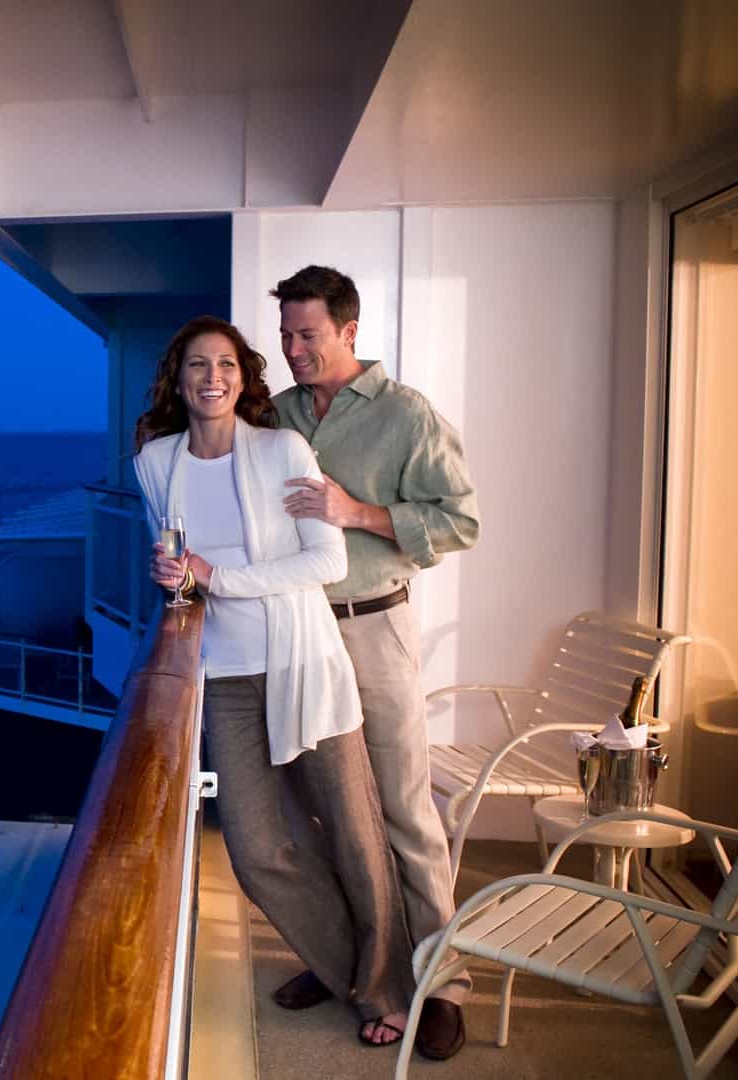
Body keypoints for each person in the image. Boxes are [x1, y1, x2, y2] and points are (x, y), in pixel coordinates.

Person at [134, 314, 414, 1047]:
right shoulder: (156, 463)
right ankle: (349, 966)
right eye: (198, 365)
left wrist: (218, 578)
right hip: (221, 674)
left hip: (303, 662)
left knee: (355, 830)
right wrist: (173, 579)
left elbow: (325, 563)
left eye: (226, 364)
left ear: (243, 376)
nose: (213, 378)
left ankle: (385, 989)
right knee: (258, 849)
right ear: (179, 379)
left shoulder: (282, 449)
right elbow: (176, 569)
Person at [268, 265, 481, 1062]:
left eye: (308, 335)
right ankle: (352, 964)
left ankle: (445, 982)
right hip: (294, 637)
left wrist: (355, 511)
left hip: (372, 628)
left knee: (401, 812)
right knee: (322, 814)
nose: (292, 350)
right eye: (286, 335)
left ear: (349, 332)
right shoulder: (281, 415)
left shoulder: (405, 415)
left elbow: (462, 520)